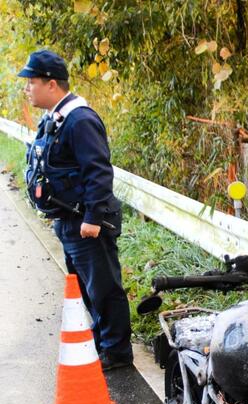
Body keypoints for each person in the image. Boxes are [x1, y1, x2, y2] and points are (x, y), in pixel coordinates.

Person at [18, 49, 133, 371]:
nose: (27, 90)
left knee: (104, 288)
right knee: (87, 288)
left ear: (51, 84)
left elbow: (98, 170)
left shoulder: (80, 119)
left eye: (31, 83)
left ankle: (117, 352)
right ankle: (103, 343)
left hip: (86, 221)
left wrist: (93, 217)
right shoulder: (56, 118)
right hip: (69, 219)